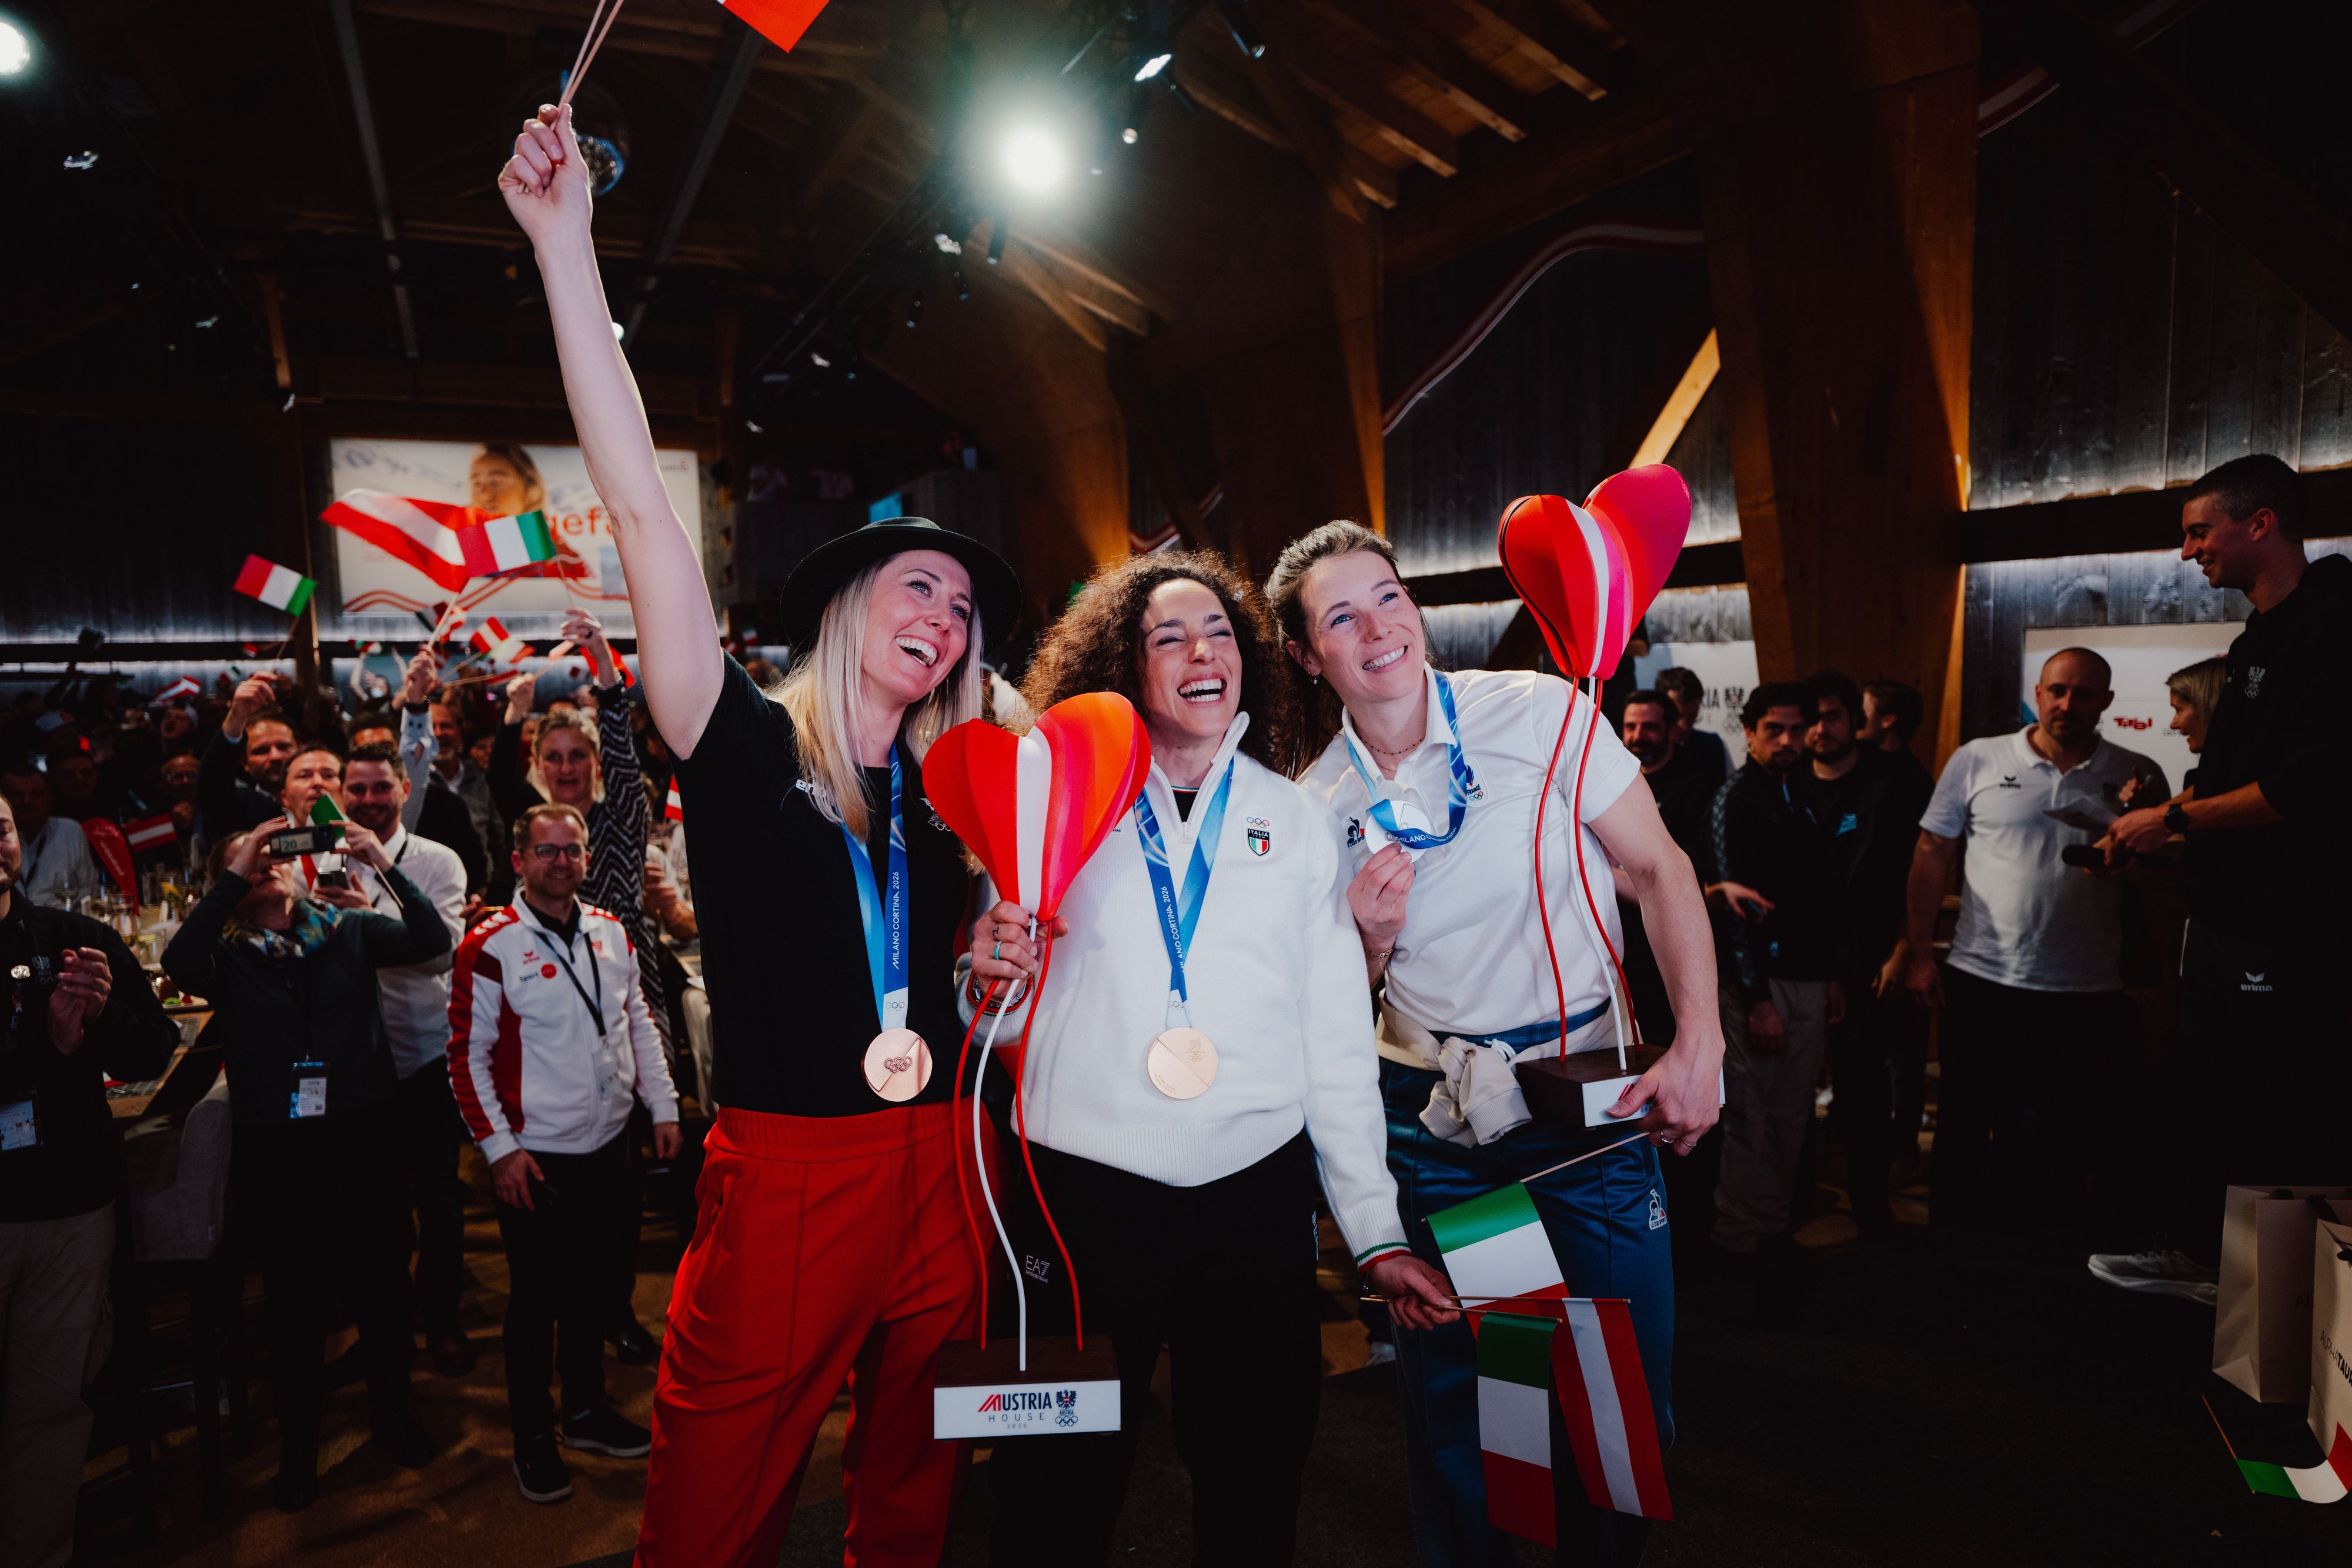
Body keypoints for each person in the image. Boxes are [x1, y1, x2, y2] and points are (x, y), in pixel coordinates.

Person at [499, 99, 1026, 1567]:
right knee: (714, 1498)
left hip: (939, 1156)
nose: (942, 616)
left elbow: (973, 982)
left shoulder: (957, 789)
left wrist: (999, 964)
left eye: (963, 607)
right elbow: (641, 516)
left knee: (919, 1482)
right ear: (853, 607)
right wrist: (566, 253)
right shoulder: (732, 742)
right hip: (790, 1177)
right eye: (916, 588)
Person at [967, 552, 1454, 1566]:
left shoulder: (1296, 820)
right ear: (1124, 667)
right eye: (1167, 637)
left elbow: (1333, 1047)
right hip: (1079, 1202)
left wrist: (1372, 1228)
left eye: (1221, 633)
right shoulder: (1051, 796)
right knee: (1050, 1491)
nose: (1201, 653)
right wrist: (986, 985)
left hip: (1252, 1203)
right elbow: (1003, 1021)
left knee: (1256, 1479)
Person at [1267, 524, 1723, 1568]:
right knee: (1492, 1400)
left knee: (1613, 1402)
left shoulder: (1536, 711)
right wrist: (1368, 943)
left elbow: (1659, 872)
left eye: (1388, 596)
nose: (1378, 626)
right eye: (1341, 615)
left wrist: (1700, 1044)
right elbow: (1322, 1011)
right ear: (1305, 654)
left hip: (1583, 1114)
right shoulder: (1313, 806)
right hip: (1448, 1129)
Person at [2096, 455, 2352, 1274]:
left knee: (2272, 1111)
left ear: (2263, 524)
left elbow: (2306, 788)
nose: (2186, 552)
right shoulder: (2255, 638)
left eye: (2199, 532)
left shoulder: (2332, 621)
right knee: (2212, 1097)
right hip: (2227, 920)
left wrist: (2169, 815)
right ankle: (2215, 1268)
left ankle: (2265, 1297)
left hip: (2285, 927)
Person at [161, 814, 452, 1509]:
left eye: (272, 858)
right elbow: (176, 965)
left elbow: (431, 939)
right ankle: (299, 1450)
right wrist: (235, 869)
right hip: (280, 1148)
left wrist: (380, 860)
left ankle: (394, 1416)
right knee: (296, 1305)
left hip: (364, 1133)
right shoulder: (225, 955)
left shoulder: (348, 930)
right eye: (249, 864)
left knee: (383, 1287)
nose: (266, 867)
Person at [449, 803, 679, 1502]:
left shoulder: (610, 932)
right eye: (545, 852)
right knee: (536, 1304)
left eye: (571, 850)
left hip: (610, 1145)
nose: (561, 862)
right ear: (519, 860)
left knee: (597, 1290)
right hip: (536, 1159)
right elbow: (464, 1059)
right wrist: (499, 1152)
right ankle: (533, 1437)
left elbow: (637, 1022)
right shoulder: (488, 946)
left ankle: (583, 1412)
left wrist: (664, 1107)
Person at [1903, 648, 2164, 1243]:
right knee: (1966, 1124)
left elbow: (2156, 883)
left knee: (2065, 1133)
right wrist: (1918, 952)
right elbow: (1930, 854)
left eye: (2083, 694)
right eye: (2056, 691)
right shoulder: (1977, 759)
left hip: (2087, 986)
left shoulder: (2139, 772)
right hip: (1983, 977)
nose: (2067, 704)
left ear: (2106, 702)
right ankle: (1951, 1251)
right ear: (2038, 692)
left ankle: (2042, 1258)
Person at [0, 792, 178, 1568]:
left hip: (70, 1210)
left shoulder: (74, 939)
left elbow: (151, 1052)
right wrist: (49, 1049)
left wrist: (100, 1020)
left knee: (50, 1406)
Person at [486, 624, 671, 1363]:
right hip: (546, 1018)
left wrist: (605, 667)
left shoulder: (622, 813)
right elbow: (500, 777)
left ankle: (616, 1309)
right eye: (553, 759)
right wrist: (513, 717)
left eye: (578, 757)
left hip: (625, 1000)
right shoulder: (533, 829)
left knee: (621, 1190)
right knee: (564, 1179)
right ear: (540, 766)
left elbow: (626, 750)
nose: (567, 769)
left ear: (595, 764)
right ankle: (565, 1311)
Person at [341, 741, 475, 1376]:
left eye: (379, 788)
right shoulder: (321, 861)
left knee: (440, 1199)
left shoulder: (436, 861)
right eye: (357, 790)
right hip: (357, 1059)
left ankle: (443, 1318)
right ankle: (386, 1327)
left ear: (403, 788)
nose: (368, 801)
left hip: (425, 1049)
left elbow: (438, 953)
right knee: (374, 1209)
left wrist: (362, 924)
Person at [1707, 683, 1843, 1265]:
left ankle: (1771, 1229)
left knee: (1790, 1116)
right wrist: (1756, 998)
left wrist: (1828, 975)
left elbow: (1815, 898)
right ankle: (1737, 1240)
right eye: (1773, 730)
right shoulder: (1736, 798)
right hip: (1756, 983)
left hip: (1808, 977)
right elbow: (1730, 911)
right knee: (1748, 1116)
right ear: (1750, 732)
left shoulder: (1803, 791)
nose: (1787, 740)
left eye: (1797, 729)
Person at [1805, 671, 1930, 1247]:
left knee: (1862, 1090)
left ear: (1853, 719)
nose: (1819, 729)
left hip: (1868, 959)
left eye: (1832, 716)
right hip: (1799, 961)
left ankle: (1871, 1204)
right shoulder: (1783, 786)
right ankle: (1796, 1198)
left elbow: (1916, 869)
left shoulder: (1887, 781)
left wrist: (1906, 948)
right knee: (1793, 1091)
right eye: (1810, 718)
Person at [352, 701, 489, 896]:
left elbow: (474, 866)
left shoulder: (445, 805)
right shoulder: (342, 830)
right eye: (367, 753)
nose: (377, 761)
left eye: (385, 750)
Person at [196, 675, 299, 842]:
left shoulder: (323, 796)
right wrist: (237, 717)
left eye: (283, 747)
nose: (275, 757)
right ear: (245, 763)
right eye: (261, 751)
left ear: (300, 750)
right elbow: (211, 785)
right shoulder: (239, 804)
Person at [0, 765, 102, 908]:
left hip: (62, 921)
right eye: (17, 795)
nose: (27, 801)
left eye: (36, 794)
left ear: (49, 797)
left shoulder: (70, 830)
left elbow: (88, 889)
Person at [1653, 666, 1731, 787]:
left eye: (1692, 718)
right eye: (1677, 717)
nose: (1684, 727)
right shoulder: (1644, 751)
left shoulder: (1712, 746)